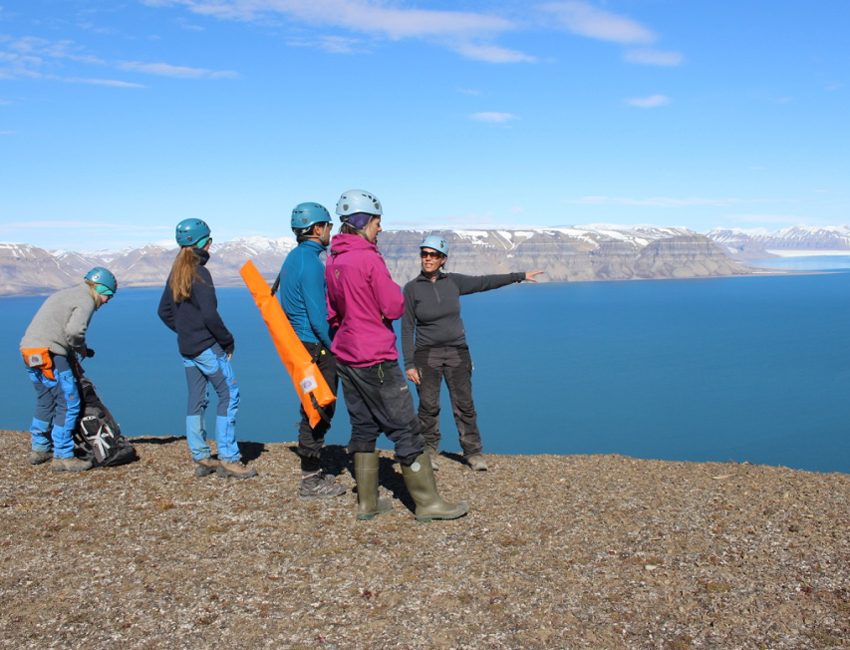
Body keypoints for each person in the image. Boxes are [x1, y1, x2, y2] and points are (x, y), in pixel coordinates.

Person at [326, 189, 467, 522]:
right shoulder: (369, 258)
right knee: (406, 428)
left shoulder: (333, 260)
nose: (380, 229)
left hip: (346, 354)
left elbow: (333, 312)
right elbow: (393, 306)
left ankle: (368, 504)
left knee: (363, 426)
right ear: (364, 222)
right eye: (377, 223)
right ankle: (428, 503)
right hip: (375, 356)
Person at [402, 235, 543, 471]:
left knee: (464, 405)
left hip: (457, 352)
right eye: (424, 254)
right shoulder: (412, 288)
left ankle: (473, 452)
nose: (428, 258)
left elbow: (484, 282)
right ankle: (428, 451)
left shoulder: (454, 282)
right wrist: (409, 364)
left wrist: (519, 276)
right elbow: (407, 327)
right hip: (426, 355)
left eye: (433, 255)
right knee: (428, 406)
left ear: (443, 259)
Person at [158, 218, 256, 479]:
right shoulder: (200, 273)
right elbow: (210, 315)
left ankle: (201, 456)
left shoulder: (177, 271)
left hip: (187, 348)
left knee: (197, 399)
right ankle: (229, 458)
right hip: (207, 348)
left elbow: (164, 311)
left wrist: (186, 332)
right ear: (204, 243)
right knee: (229, 394)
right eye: (210, 240)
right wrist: (227, 341)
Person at [20, 267, 118, 472]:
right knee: (69, 402)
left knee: (45, 400)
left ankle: (39, 448)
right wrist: (80, 347)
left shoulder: (65, 293)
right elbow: (74, 332)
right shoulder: (86, 299)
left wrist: (78, 349)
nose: (107, 301)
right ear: (99, 288)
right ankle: (63, 456)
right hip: (51, 353)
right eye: (108, 295)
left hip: (29, 351)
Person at [278, 202, 345, 498]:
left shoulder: (294, 258)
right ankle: (311, 480)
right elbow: (318, 318)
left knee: (311, 406)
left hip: (300, 344)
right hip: (316, 346)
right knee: (320, 408)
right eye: (328, 226)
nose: (330, 231)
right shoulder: (311, 264)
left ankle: (311, 471)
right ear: (317, 228)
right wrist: (337, 349)